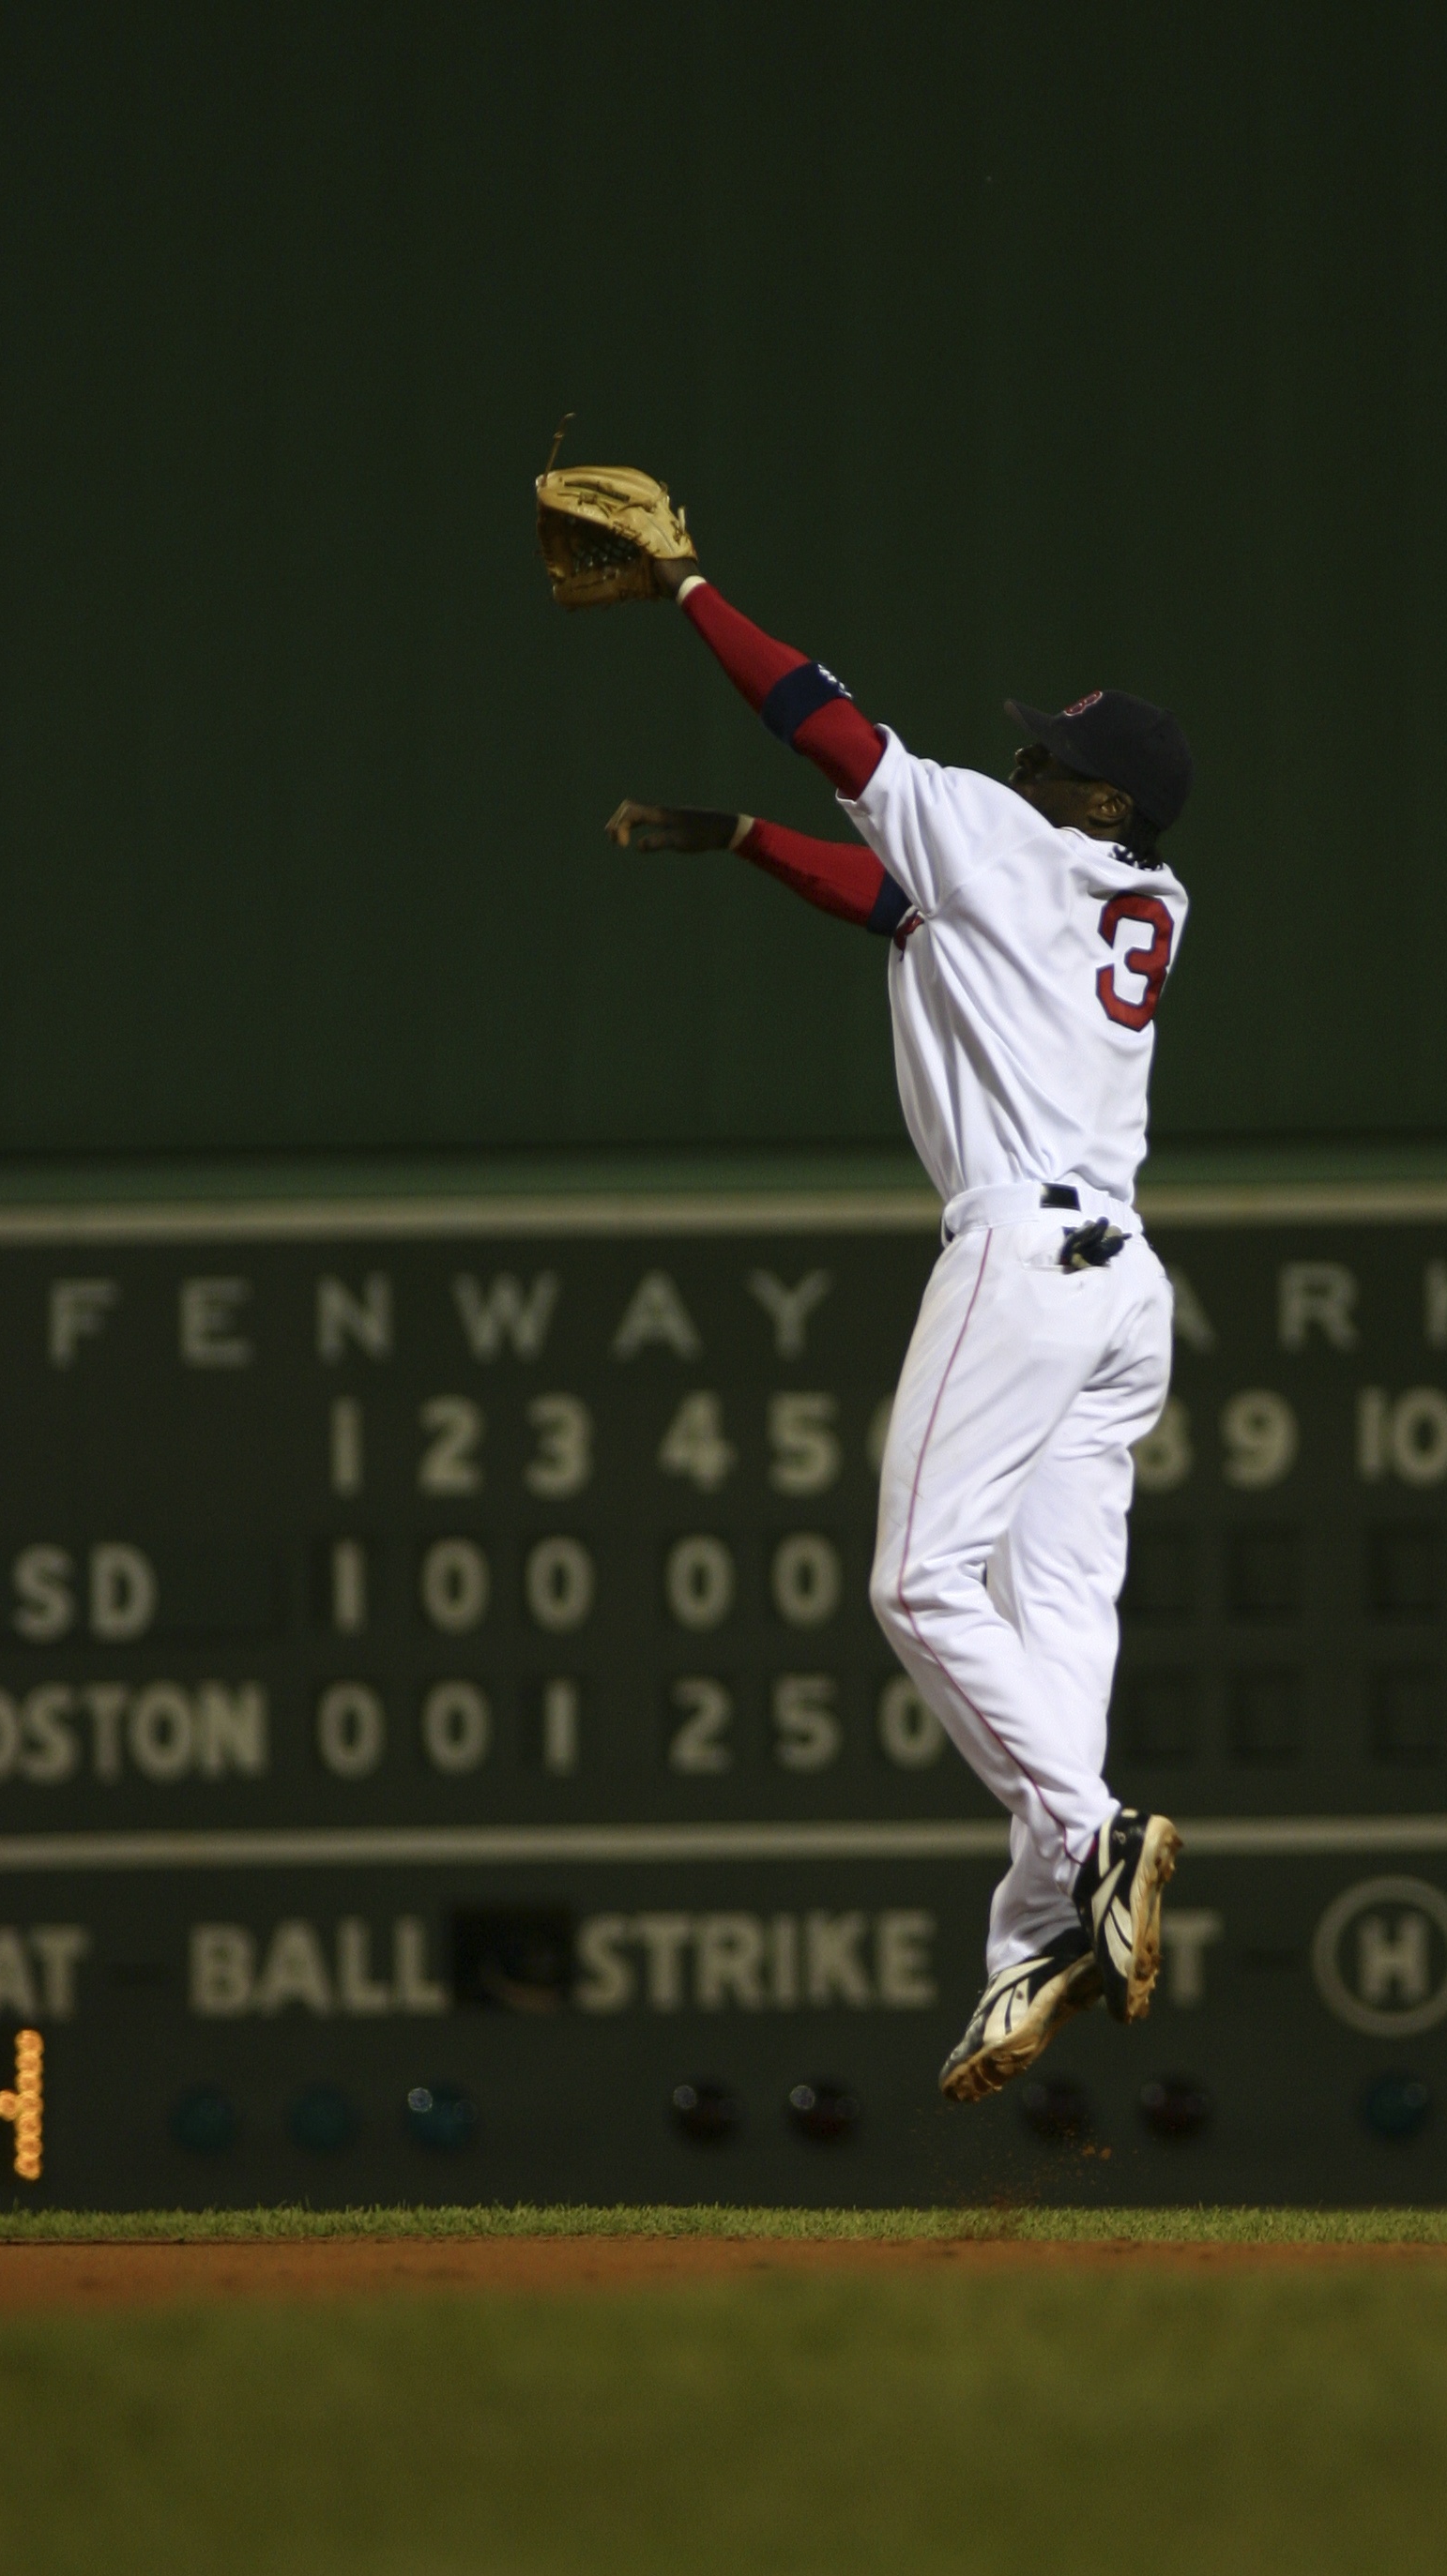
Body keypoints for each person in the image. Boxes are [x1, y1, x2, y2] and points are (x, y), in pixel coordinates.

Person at [608, 545, 1194, 2105]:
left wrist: (689, 589)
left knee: (918, 1582)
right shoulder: (1140, 898)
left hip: (1020, 1253)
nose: (1023, 769)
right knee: (1060, 1626)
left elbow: (829, 725)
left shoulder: (1006, 842)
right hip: (1126, 1287)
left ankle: (1095, 1840)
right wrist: (748, 842)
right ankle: (1042, 1935)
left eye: (1054, 760)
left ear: (1104, 798)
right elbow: (898, 902)